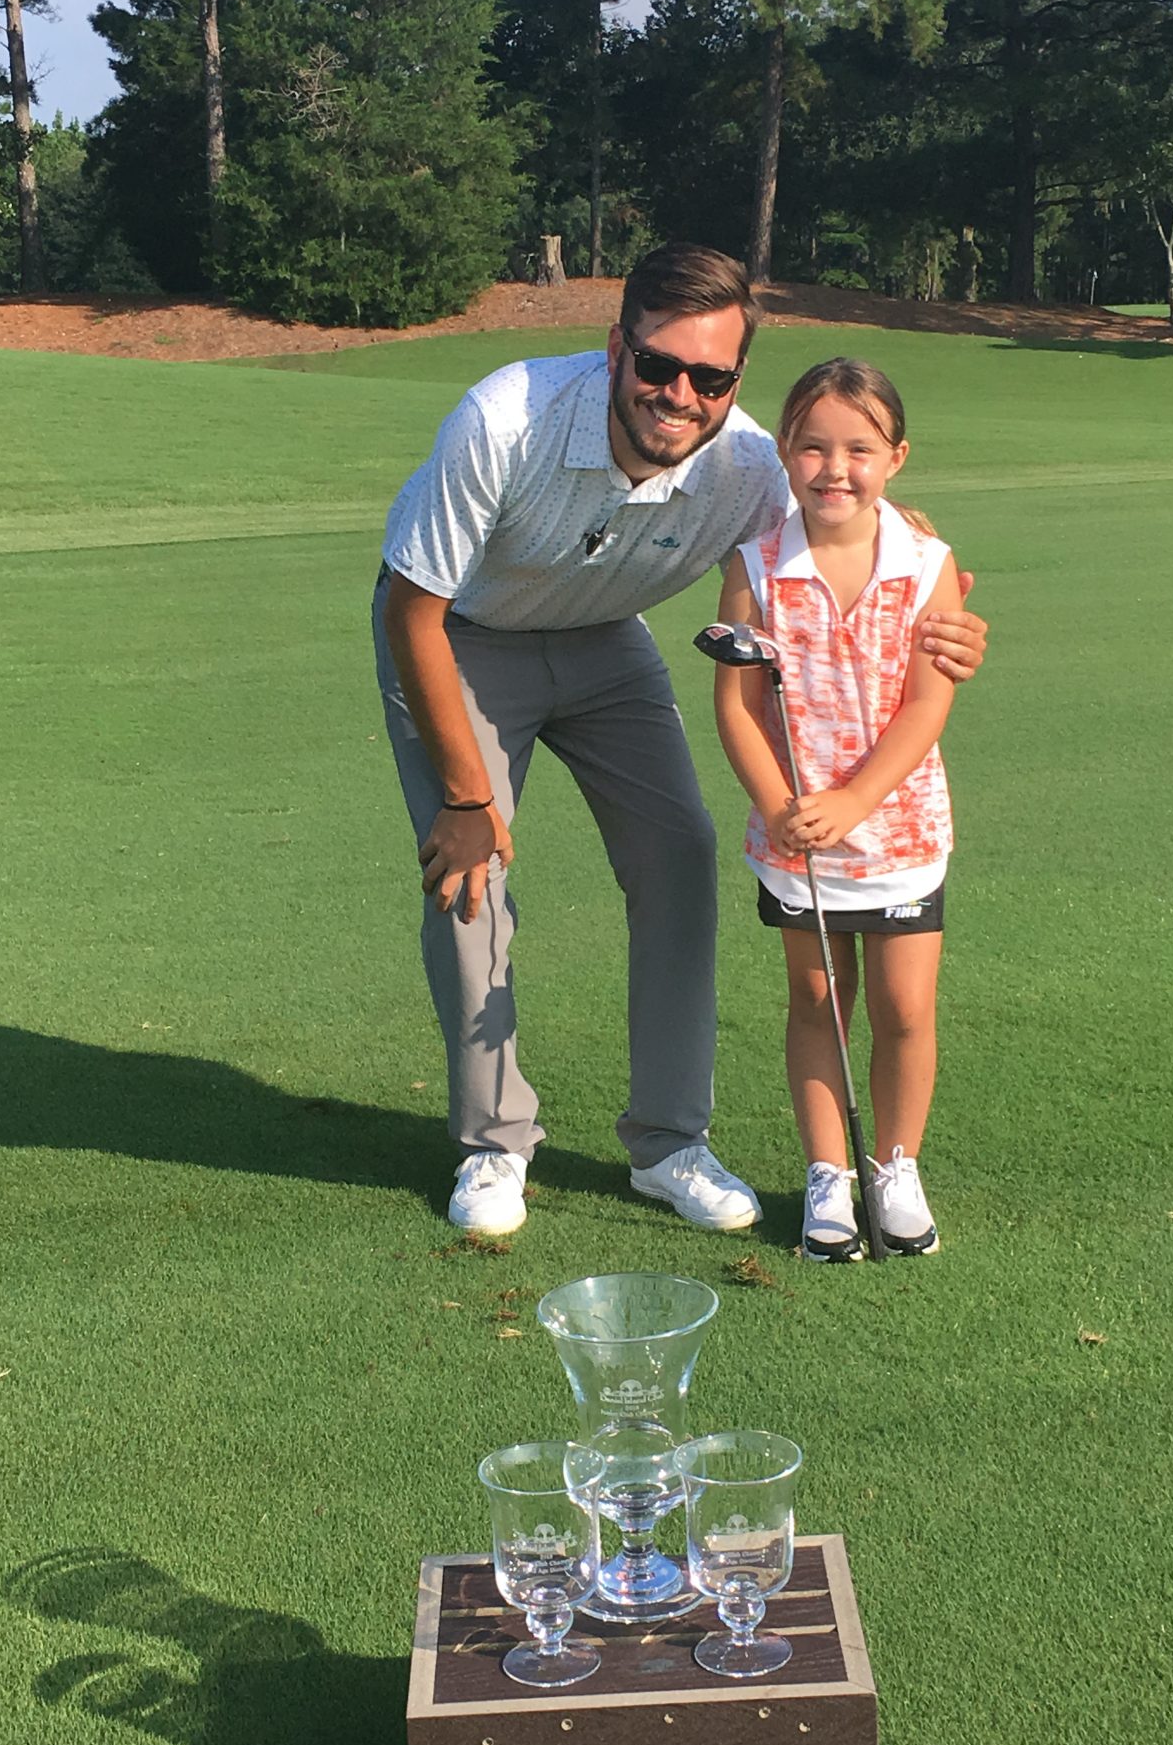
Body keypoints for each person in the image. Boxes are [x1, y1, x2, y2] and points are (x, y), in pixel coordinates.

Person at [374, 246, 988, 1238]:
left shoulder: (747, 463)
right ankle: (495, 1145)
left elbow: (859, 526)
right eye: (658, 364)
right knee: (470, 879)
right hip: (460, 639)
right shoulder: (503, 419)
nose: (679, 394)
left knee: (681, 858)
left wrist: (955, 609)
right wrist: (463, 796)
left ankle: (669, 1144)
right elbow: (413, 607)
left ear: (735, 383)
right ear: (617, 346)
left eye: (709, 378)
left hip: (604, 644)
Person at [712, 357, 962, 1262]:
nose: (835, 468)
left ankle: (896, 1167)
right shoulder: (755, 568)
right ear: (784, 454)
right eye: (813, 447)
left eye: (859, 448)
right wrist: (778, 804)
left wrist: (856, 797)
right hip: (798, 840)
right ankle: (829, 1175)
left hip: (899, 833)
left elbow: (929, 704)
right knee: (817, 996)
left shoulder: (928, 565)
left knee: (903, 1006)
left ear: (896, 456)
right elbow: (735, 705)